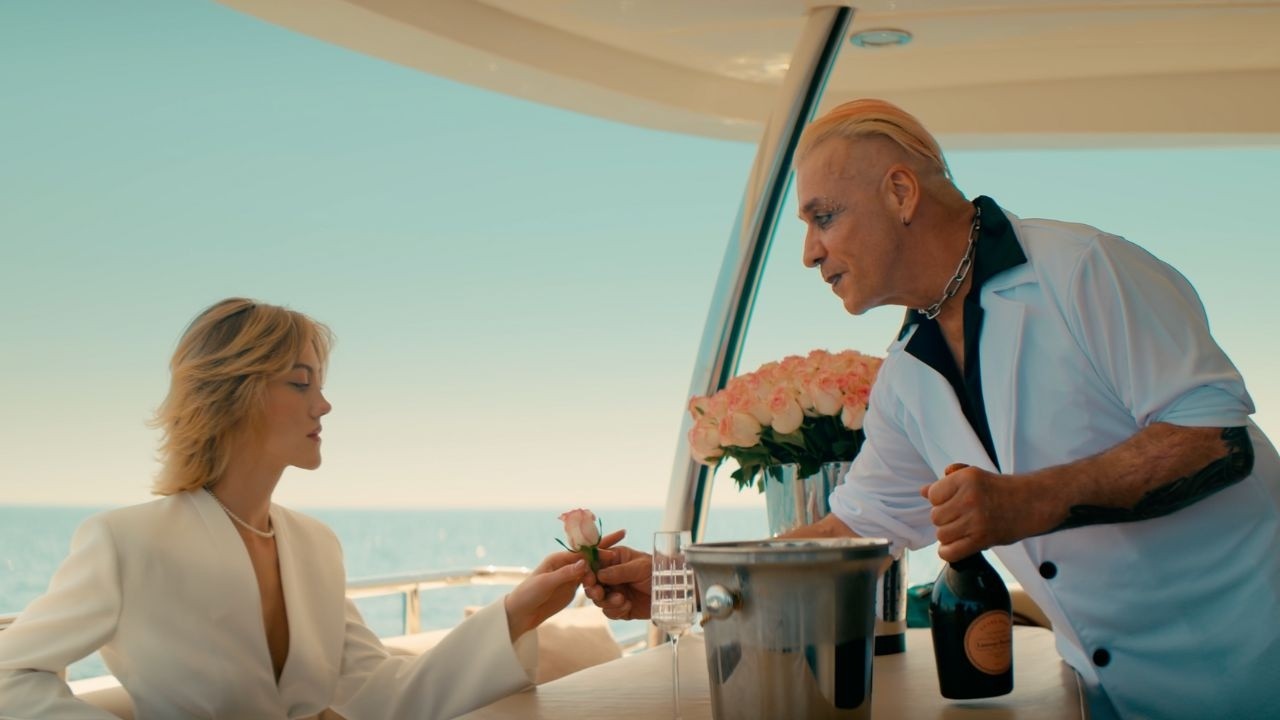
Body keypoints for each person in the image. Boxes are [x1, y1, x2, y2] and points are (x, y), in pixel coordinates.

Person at [584, 99, 1280, 719]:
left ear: (900, 192)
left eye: (823, 217)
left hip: (1260, 659)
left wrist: (1031, 500)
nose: (808, 252)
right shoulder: (907, 375)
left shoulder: (1085, 269)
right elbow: (851, 532)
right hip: (1110, 694)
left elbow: (1214, 439)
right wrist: (682, 584)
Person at [0, 298, 588, 720]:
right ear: (234, 394)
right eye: (301, 383)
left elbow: (383, 693)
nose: (324, 405)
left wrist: (518, 612)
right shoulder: (127, 541)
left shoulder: (315, 545)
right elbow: (11, 677)